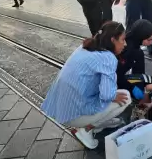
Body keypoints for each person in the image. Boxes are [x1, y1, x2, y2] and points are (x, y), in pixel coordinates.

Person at [41, 21, 131, 149]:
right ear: (112, 40)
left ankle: (99, 122)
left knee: (114, 93)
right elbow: (107, 95)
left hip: (59, 108)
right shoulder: (108, 58)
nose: (125, 44)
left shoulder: (86, 46)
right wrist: (112, 95)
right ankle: (87, 129)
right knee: (126, 97)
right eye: (123, 40)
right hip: (75, 115)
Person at [116, 19, 152, 99]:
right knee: (141, 91)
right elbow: (117, 75)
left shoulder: (135, 47)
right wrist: (132, 87)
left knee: (148, 79)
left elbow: (139, 72)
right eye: (149, 39)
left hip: (121, 76)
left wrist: (140, 85)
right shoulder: (127, 49)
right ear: (141, 35)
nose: (151, 43)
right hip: (114, 80)